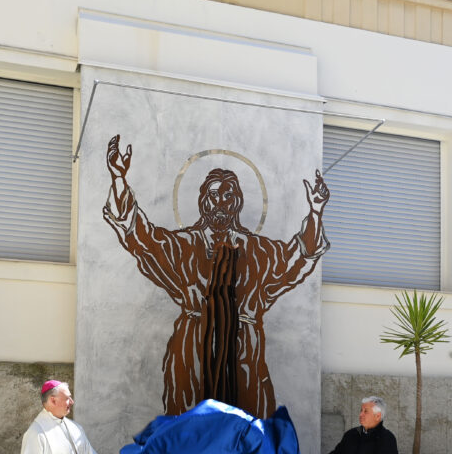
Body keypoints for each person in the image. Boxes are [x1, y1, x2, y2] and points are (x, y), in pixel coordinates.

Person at [104, 135, 330, 418]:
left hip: (242, 352)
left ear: (237, 202)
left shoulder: (257, 250)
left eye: (227, 196)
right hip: (194, 348)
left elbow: (295, 260)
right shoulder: (184, 245)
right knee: (192, 425)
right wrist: (118, 179)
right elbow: (144, 239)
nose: (220, 202)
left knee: (245, 423)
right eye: (214, 196)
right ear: (203, 201)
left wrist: (316, 211)